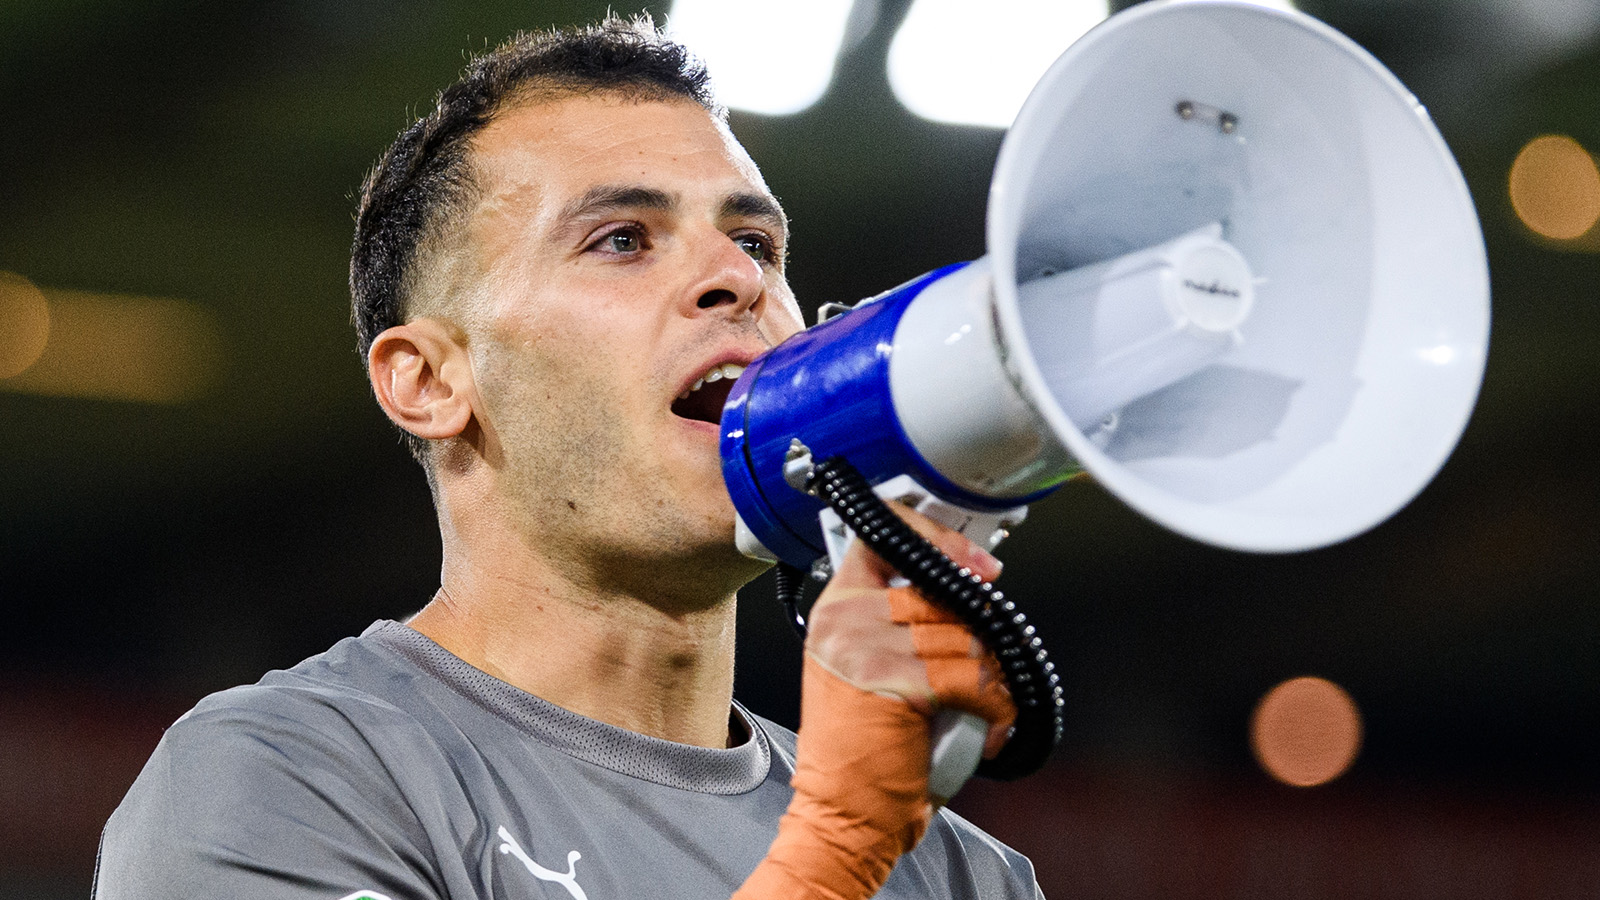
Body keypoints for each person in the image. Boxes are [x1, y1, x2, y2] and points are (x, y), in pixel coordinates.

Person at [94, 15, 1041, 899]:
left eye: (756, 241)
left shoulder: (964, 873)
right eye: (622, 239)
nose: (736, 278)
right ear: (430, 381)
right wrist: (835, 849)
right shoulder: (282, 779)